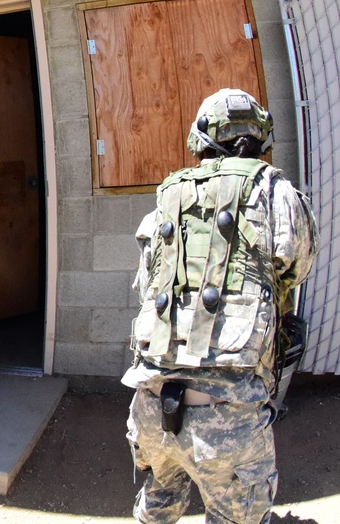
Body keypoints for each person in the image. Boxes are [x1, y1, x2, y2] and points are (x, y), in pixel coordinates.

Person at [123, 88, 319, 524]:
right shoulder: (275, 192)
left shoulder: (168, 198)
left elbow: (146, 285)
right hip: (227, 417)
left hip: (152, 406)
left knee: (158, 503)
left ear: (200, 140)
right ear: (261, 138)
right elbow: (296, 267)